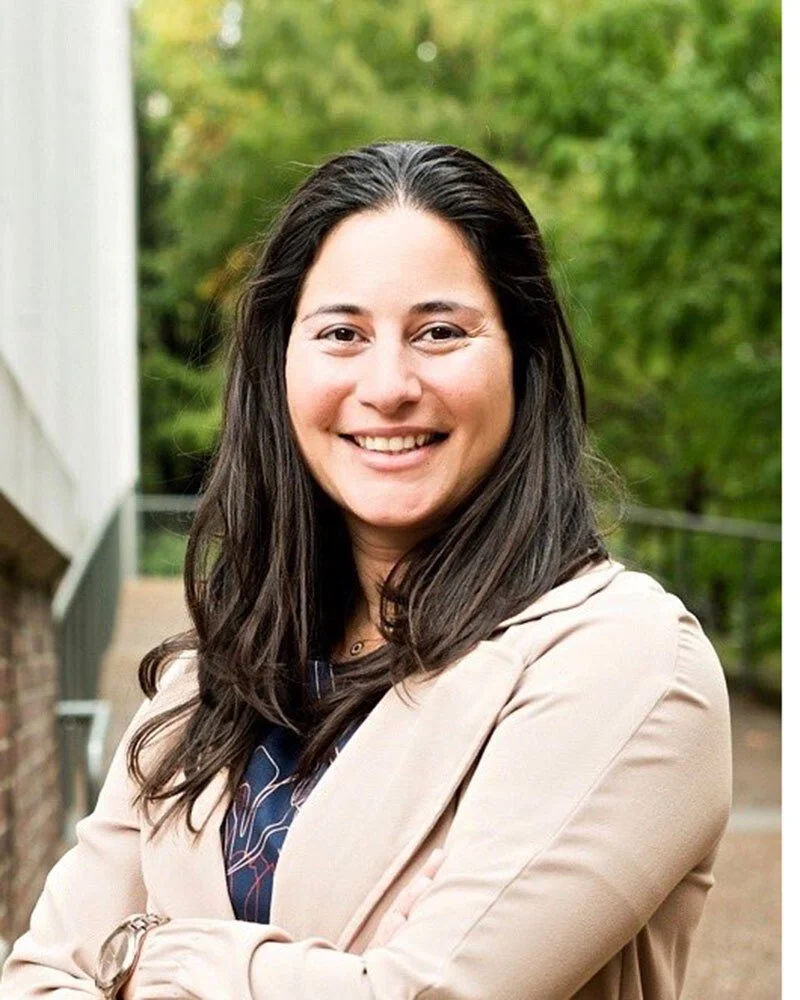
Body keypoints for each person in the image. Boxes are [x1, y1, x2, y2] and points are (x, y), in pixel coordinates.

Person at [0, 140, 731, 999]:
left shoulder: (626, 662)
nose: (389, 385)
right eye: (342, 333)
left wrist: (152, 956)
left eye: (440, 333)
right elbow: (41, 975)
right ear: (280, 367)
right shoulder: (212, 677)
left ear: (523, 361)